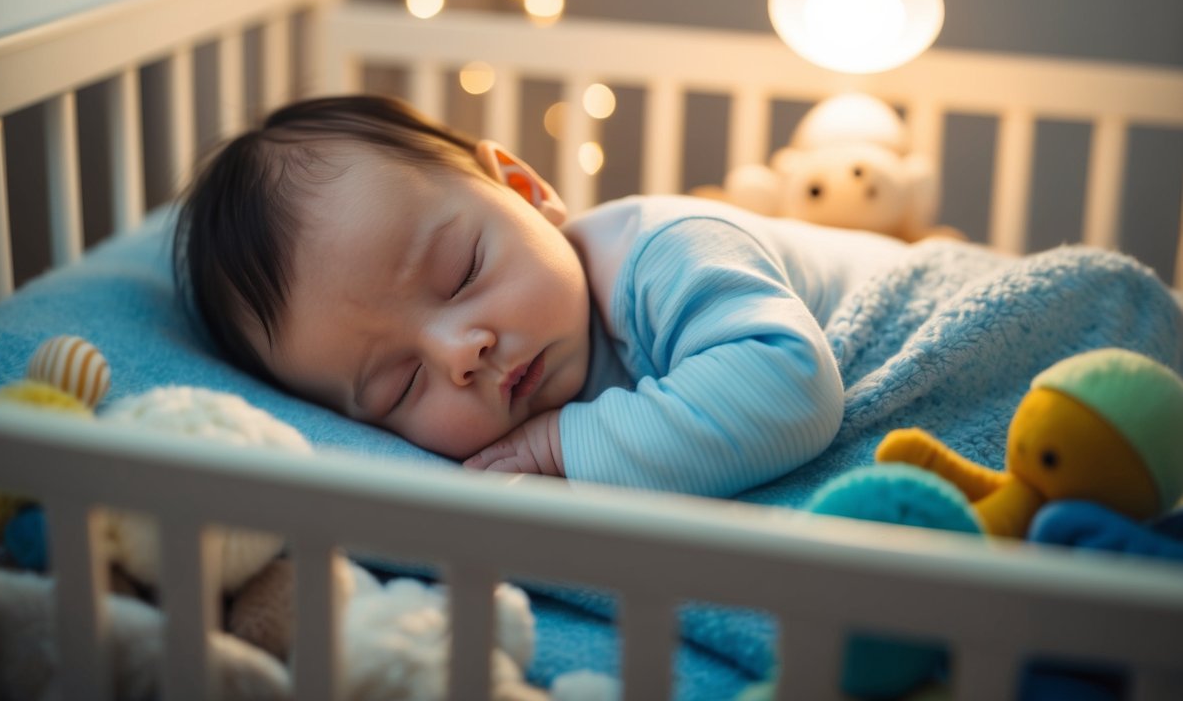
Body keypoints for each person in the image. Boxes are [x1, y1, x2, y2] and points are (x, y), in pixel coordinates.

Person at [175, 94, 911, 497]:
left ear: (523, 190)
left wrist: (560, 446)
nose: (460, 352)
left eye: (461, 271)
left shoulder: (665, 248)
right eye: (400, 385)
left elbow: (789, 387)